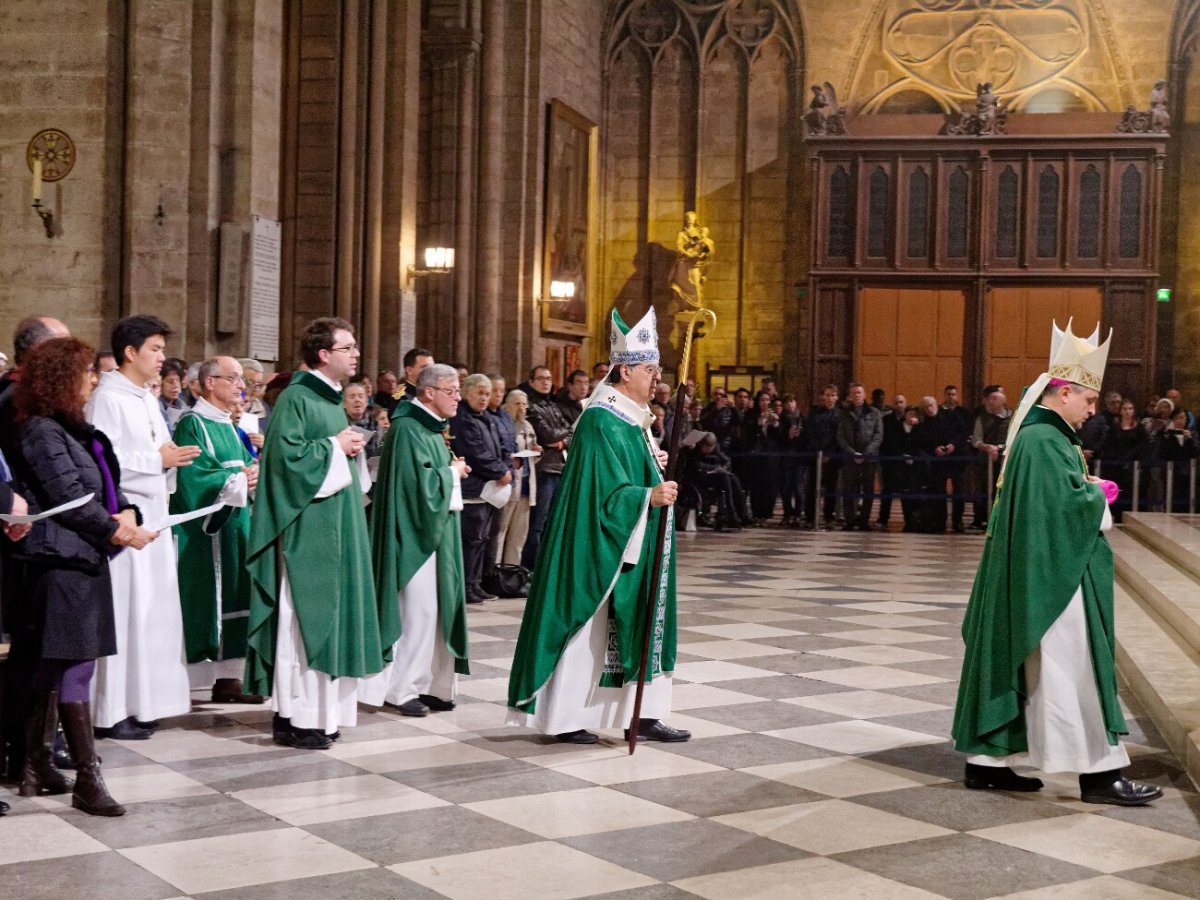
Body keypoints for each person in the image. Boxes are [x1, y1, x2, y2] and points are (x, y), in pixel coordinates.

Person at [953, 322, 1162, 807]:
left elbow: (1046, 501)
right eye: (1088, 401)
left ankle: (986, 766)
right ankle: (1100, 776)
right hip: (1055, 578)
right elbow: (1060, 510)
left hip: (1036, 570)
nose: (1093, 411)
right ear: (1064, 392)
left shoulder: (1041, 436)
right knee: (1076, 667)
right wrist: (1095, 496)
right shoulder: (1045, 441)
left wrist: (1083, 487)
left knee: (1036, 666)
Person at [507, 308, 690, 745]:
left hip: (638, 540)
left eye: (659, 370)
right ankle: (567, 718)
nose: (657, 379)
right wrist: (647, 495)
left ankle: (642, 713)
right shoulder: (601, 419)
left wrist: (652, 465)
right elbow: (600, 492)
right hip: (599, 544)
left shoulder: (632, 416)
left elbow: (626, 469)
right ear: (625, 371)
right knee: (590, 624)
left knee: (645, 618)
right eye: (650, 370)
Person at [12, 337, 158, 815]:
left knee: (51, 666)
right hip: (60, 561)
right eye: (87, 372)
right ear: (62, 378)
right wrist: (117, 532)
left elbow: (107, 486)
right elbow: (70, 497)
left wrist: (129, 513)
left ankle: (34, 765)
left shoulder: (73, 430)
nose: (94, 379)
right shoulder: (39, 430)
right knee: (74, 666)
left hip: (81, 558)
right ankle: (87, 780)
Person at [244, 318, 389, 750]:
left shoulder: (329, 401)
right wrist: (333, 448)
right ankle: (295, 716)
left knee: (331, 617)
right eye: (348, 348)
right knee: (302, 620)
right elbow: (284, 462)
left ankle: (321, 714)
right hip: (306, 532)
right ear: (324, 354)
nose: (356, 355)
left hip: (336, 526)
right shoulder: (296, 398)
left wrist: (347, 448)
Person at [87, 315, 196, 740]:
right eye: (155, 349)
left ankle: (143, 702)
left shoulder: (145, 398)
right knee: (125, 614)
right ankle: (111, 710)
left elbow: (153, 447)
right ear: (129, 353)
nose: (162, 358)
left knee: (152, 613)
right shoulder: (107, 398)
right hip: (124, 520)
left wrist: (168, 455)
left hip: (154, 514)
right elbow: (103, 464)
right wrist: (158, 461)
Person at [361, 363, 471, 717]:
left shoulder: (430, 428)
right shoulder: (408, 428)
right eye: (451, 391)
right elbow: (414, 488)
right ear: (428, 392)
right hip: (414, 533)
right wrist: (451, 474)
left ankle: (430, 684)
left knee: (438, 608)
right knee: (418, 611)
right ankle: (400, 688)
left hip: (436, 530)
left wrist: (450, 473)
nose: (458, 397)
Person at [0, 316, 70, 780]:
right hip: (22, 539)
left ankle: (33, 751)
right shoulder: (14, 400)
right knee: (27, 653)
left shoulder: (39, 402)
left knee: (37, 651)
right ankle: (25, 753)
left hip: (33, 535)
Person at [171, 357, 262, 705]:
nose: (242, 387)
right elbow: (192, 477)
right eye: (235, 379)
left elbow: (244, 464)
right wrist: (238, 478)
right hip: (207, 534)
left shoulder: (226, 424)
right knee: (210, 598)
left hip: (237, 526)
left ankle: (230, 678)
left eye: (242, 380)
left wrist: (253, 473)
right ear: (210, 382)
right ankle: (200, 678)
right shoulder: (193, 423)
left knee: (239, 594)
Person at [452, 374, 513, 603]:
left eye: (487, 394)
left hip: (489, 490)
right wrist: (499, 471)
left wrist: (505, 465)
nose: (484, 398)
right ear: (466, 392)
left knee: (483, 539)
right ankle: (466, 585)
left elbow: (500, 446)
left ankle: (475, 583)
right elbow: (475, 452)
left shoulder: (487, 417)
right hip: (473, 488)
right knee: (471, 539)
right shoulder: (462, 417)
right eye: (480, 393)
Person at [518, 366, 574, 569]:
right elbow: (547, 434)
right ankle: (531, 566)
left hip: (559, 467)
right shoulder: (531, 406)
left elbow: (571, 432)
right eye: (541, 379)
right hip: (543, 470)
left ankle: (546, 565)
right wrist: (560, 439)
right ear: (531, 381)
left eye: (549, 378)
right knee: (538, 523)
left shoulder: (553, 405)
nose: (546, 382)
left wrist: (561, 443)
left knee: (554, 521)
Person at [496, 389, 538, 566]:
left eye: (524, 404)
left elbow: (533, 455)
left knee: (519, 535)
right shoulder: (503, 425)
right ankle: (494, 572)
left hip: (527, 486)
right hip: (509, 485)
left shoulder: (528, 426)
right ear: (507, 405)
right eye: (517, 404)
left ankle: (511, 574)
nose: (522, 407)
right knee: (500, 532)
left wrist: (537, 452)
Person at [837, 382, 882, 530]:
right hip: (850, 457)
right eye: (854, 393)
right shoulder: (844, 413)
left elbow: (878, 435)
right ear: (850, 396)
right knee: (849, 489)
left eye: (859, 392)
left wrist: (866, 452)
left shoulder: (874, 413)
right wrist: (852, 452)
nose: (857, 395)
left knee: (868, 490)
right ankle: (850, 520)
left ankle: (864, 520)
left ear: (864, 395)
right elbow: (841, 436)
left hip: (869, 458)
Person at [968, 386, 1010, 530]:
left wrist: (998, 448)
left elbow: (1013, 440)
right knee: (981, 489)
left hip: (1004, 460)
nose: (991, 402)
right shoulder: (982, 418)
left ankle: (999, 520)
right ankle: (980, 519)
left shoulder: (1011, 418)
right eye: (990, 399)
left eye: (995, 399)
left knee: (1001, 490)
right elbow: (976, 439)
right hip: (984, 461)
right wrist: (986, 447)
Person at [804, 384, 840, 527]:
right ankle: (810, 516)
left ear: (836, 397)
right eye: (827, 395)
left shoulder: (840, 415)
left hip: (832, 457)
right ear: (822, 397)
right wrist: (817, 451)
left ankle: (829, 516)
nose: (830, 398)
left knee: (831, 488)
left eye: (832, 395)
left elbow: (839, 436)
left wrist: (829, 453)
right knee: (812, 487)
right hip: (815, 455)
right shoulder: (815, 413)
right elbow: (809, 432)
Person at [876, 394, 907, 529]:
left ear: (905, 404)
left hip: (905, 462)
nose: (898, 405)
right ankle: (883, 519)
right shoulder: (886, 420)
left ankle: (909, 519)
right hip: (889, 460)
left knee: (906, 491)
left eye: (901, 402)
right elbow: (882, 440)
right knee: (886, 491)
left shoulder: (910, 419)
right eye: (896, 402)